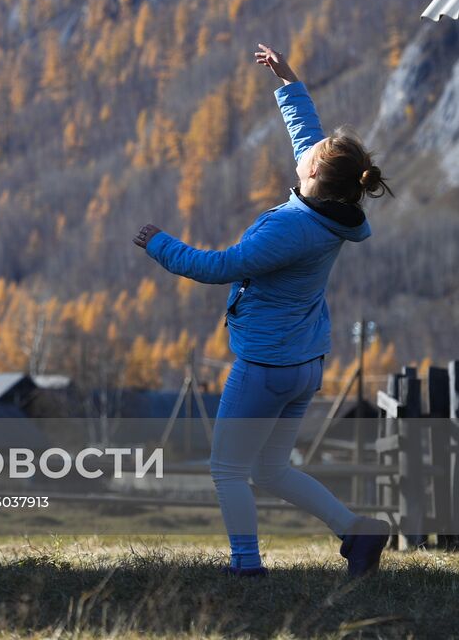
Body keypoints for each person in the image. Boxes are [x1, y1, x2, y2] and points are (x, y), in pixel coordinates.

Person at [134, 44, 393, 579]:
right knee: (270, 468)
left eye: (312, 152)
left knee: (227, 469)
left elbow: (218, 266)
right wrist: (287, 81)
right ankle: (357, 533)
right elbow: (307, 134)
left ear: (315, 170)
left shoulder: (290, 229)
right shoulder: (334, 208)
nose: (303, 149)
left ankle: (246, 567)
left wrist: (159, 244)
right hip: (304, 362)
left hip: (267, 366)